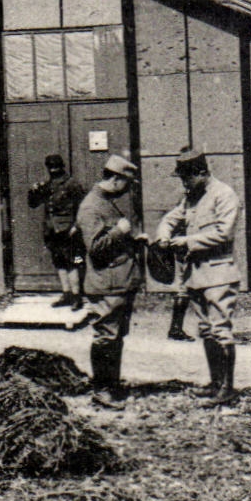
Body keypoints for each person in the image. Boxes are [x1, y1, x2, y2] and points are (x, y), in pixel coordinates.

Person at [155, 147, 242, 407]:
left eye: (187, 178)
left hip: (218, 273)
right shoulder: (191, 198)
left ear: (202, 173)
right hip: (196, 275)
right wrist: (163, 234)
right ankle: (215, 383)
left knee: (221, 331)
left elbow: (223, 233)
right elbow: (172, 218)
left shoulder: (224, 195)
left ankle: (227, 388)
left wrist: (186, 241)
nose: (184, 183)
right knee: (206, 331)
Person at [77, 154, 145, 410]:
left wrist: (133, 240)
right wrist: (120, 232)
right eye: (126, 183)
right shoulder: (91, 206)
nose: (127, 189)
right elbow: (95, 248)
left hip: (118, 283)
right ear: (116, 179)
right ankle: (102, 390)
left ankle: (112, 383)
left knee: (115, 336)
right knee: (106, 336)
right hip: (106, 284)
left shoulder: (106, 202)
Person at [26, 154, 86, 310]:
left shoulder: (72, 184)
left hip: (68, 230)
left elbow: (82, 207)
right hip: (52, 230)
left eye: (56, 167)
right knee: (59, 261)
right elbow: (33, 204)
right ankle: (66, 294)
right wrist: (33, 191)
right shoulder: (47, 185)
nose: (53, 170)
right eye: (51, 167)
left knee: (72, 262)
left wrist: (75, 226)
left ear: (62, 166)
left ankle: (76, 296)